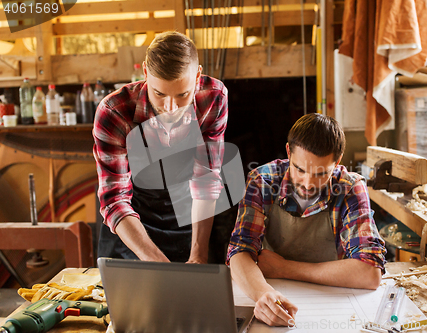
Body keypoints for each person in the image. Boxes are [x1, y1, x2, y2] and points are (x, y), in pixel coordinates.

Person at [227, 113, 386, 326]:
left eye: (320, 173)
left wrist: (285, 268)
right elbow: (239, 252)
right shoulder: (262, 181)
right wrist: (263, 295)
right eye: (300, 169)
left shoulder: (349, 187)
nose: (308, 183)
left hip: (332, 301)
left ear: (337, 162)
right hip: (270, 287)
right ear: (288, 152)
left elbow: (369, 273)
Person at [93, 31, 227, 263]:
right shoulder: (114, 112)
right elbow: (115, 198)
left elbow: (206, 180)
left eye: (183, 95)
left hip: (188, 213)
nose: (171, 107)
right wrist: (157, 263)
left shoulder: (213, 98)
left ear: (197, 77)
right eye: (159, 93)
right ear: (145, 73)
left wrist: (198, 254)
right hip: (131, 219)